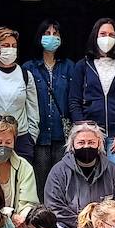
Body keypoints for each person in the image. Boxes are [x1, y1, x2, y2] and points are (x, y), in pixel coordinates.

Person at [69, 18, 115, 174]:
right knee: (91, 182)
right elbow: (74, 101)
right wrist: (85, 130)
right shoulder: (82, 65)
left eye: (111, 35)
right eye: (102, 34)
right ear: (95, 36)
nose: (107, 38)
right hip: (91, 136)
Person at [42, 122, 115, 228]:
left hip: (105, 225)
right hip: (70, 226)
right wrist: (83, 224)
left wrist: (101, 224)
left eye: (91, 142)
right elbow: (53, 206)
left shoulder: (113, 171)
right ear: (72, 144)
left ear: (99, 144)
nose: (86, 146)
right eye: (81, 142)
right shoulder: (59, 171)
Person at [25, 20, 74, 189]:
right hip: (39, 135)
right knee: (40, 183)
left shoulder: (69, 67)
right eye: (47, 34)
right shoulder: (29, 68)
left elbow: (74, 99)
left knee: (61, 182)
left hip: (62, 135)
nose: (51, 38)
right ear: (39, 37)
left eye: (55, 34)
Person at [0, 26, 40, 162]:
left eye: (14, 46)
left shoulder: (25, 75)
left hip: (21, 139)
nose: (10, 49)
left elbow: (33, 109)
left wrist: (31, 138)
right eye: (5, 45)